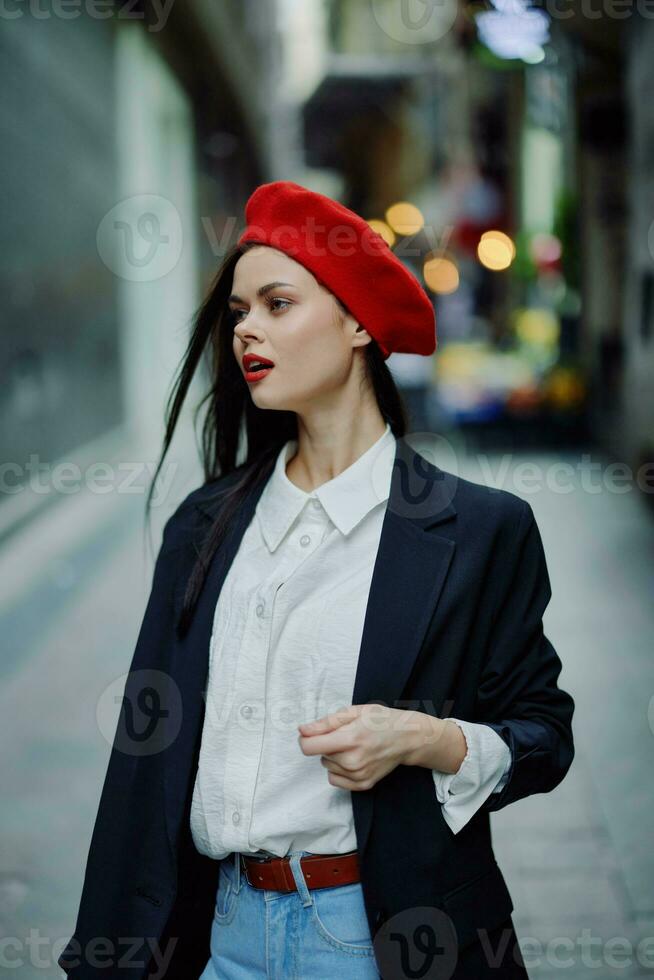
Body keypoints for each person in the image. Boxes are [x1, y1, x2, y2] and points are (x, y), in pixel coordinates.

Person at [59, 181, 575, 979]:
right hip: (218, 935)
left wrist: (427, 739)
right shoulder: (204, 523)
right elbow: (143, 765)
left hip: (375, 938)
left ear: (360, 323)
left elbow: (544, 734)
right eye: (238, 312)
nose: (246, 331)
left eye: (277, 303)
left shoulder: (477, 530)